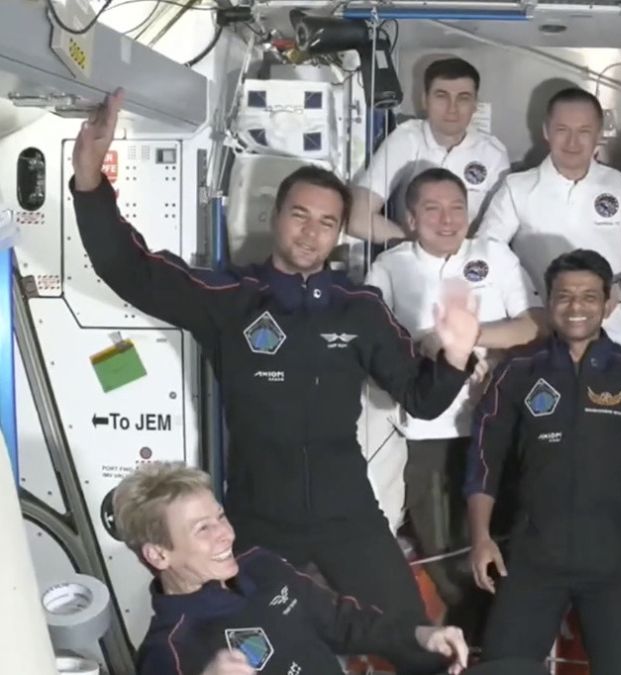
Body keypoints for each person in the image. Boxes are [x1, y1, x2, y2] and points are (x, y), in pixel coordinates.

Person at [71, 90, 480, 634]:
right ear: (276, 215)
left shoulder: (361, 309)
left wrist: (454, 355)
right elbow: (128, 268)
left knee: (416, 640)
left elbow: (423, 401)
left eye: (328, 223)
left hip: (348, 516)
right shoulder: (230, 296)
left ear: (339, 233)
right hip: (259, 521)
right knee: (248, 648)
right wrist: (89, 178)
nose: (312, 233)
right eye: (300, 216)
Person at [464, 250, 621, 674]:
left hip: (612, 560)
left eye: (589, 297)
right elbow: (483, 457)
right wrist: (481, 537)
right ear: (549, 304)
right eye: (564, 296)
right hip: (532, 556)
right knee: (501, 667)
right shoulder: (518, 370)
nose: (576, 307)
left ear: (607, 304)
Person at [365, 167, 543, 637]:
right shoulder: (388, 267)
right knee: (445, 552)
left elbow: (534, 324)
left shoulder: (495, 256)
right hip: (429, 434)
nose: (447, 220)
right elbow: (372, 343)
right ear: (409, 218)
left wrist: (470, 337)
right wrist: (431, 344)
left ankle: (507, 644)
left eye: (457, 208)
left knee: (506, 538)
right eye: (432, 209)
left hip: (499, 425)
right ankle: (473, 643)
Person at [112, 462, 469, 675]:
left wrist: (420, 634)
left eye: (220, 517)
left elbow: (342, 622)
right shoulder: (169, 649)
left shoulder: (261, 566)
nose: (225, 535)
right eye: (202, 529)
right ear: (159, 556)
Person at [474, 87, 621, 351]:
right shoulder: (517, 188)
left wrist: (618, 292)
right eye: (562, 130)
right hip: (540, 338)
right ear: (546, 131)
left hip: (614, 337)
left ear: (599, 134)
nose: (572, 142)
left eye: (583, 131)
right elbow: (485, 255)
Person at [349, 57, 510, 239]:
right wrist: (421, 248)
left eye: (463, 98)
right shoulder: (406, 139)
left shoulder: (493, 153)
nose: (452, 108)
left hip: (469, 259)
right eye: (441, 96)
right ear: (425, 100)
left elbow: (497, 234)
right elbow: (358, 220)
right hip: (409, 255)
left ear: (475, 105)